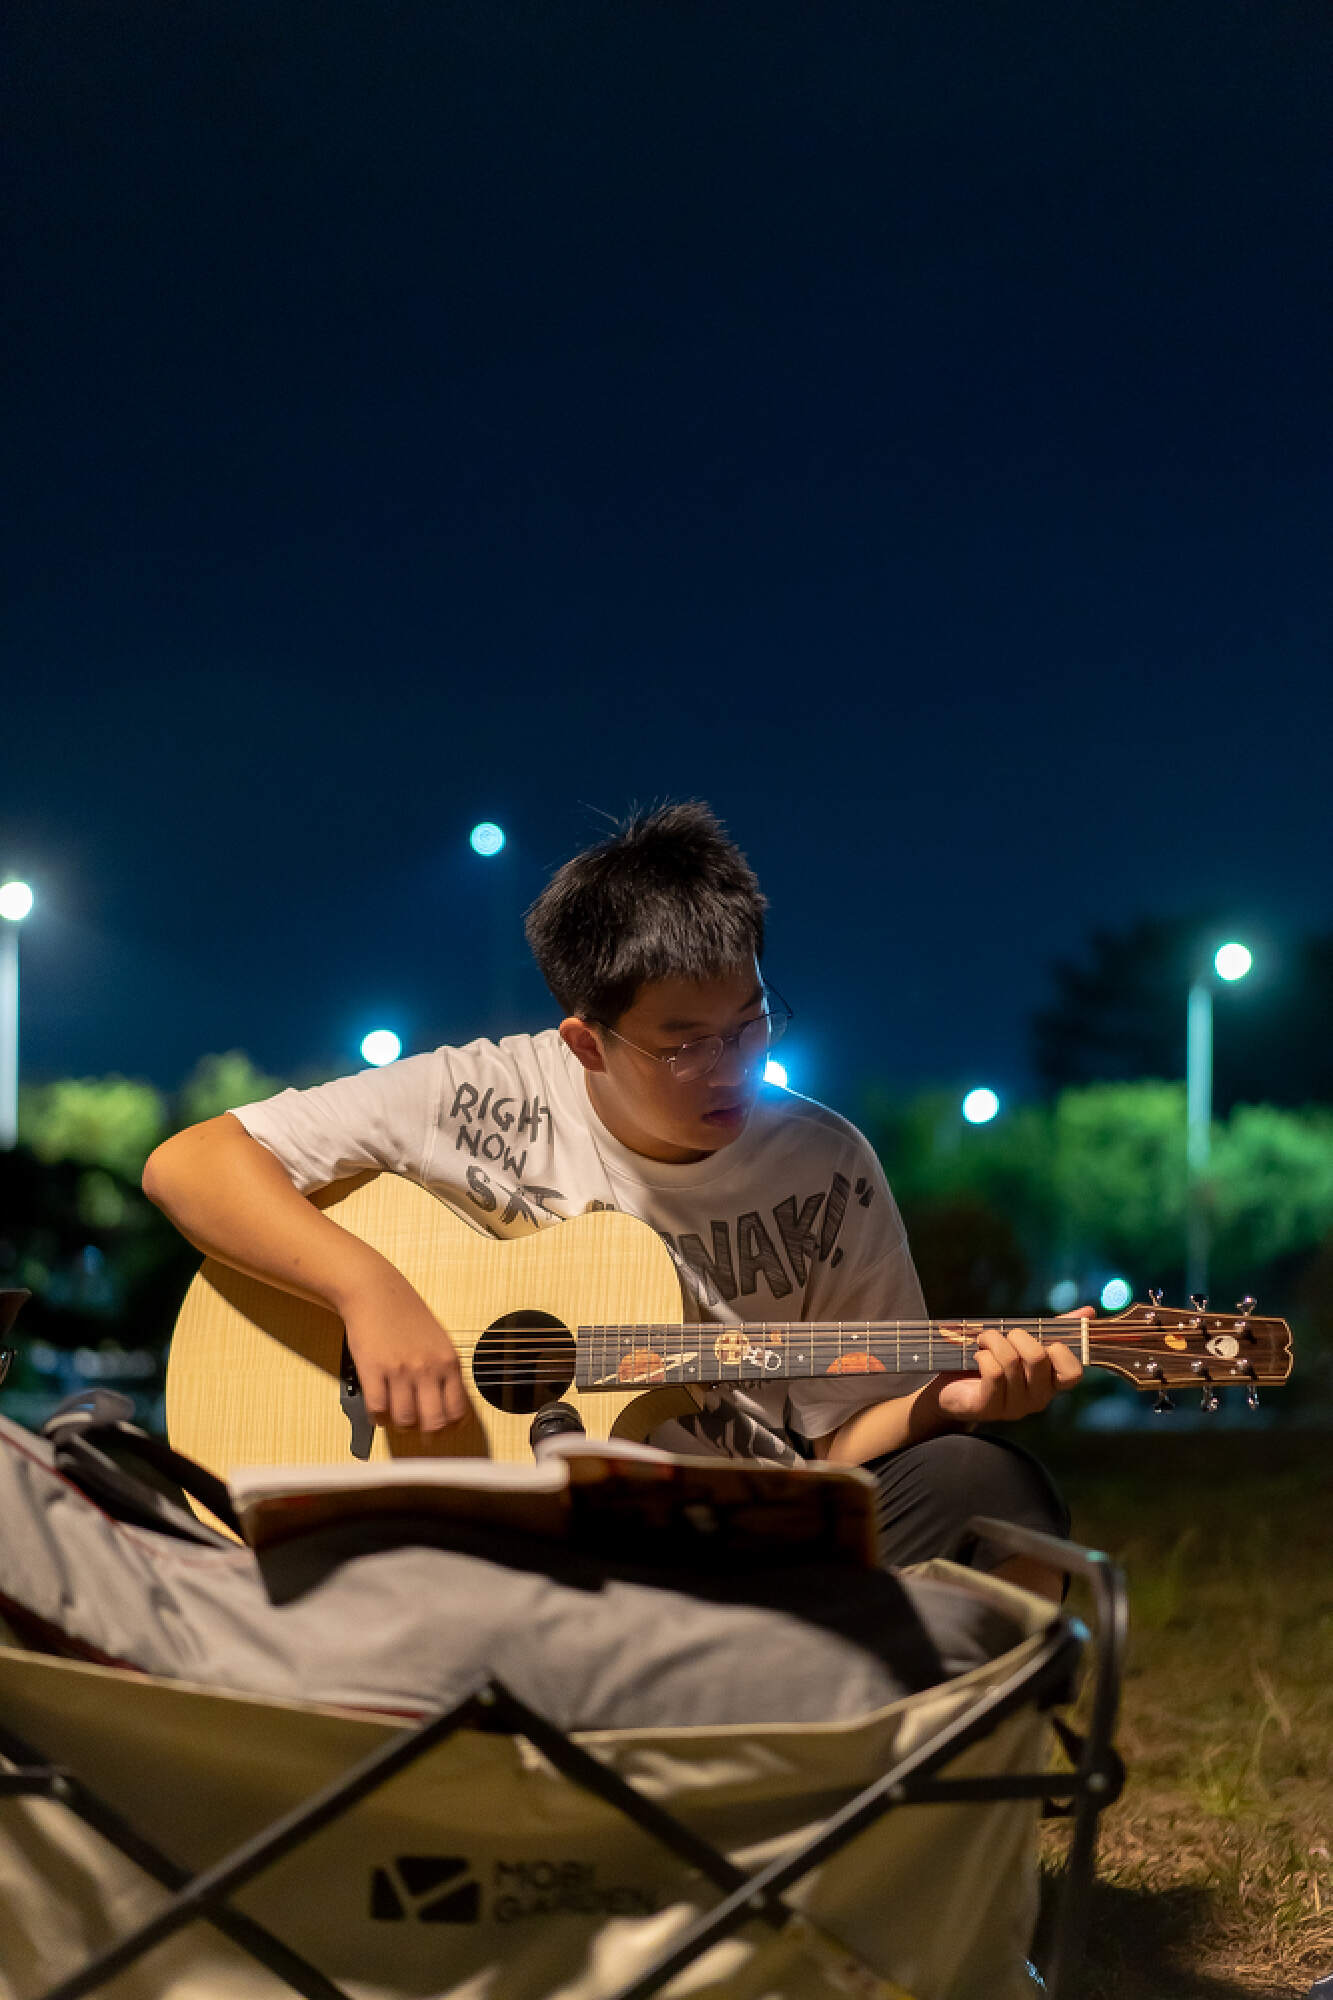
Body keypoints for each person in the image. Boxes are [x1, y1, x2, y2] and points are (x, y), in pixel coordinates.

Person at [143, 802, 1082, 1597]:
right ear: (587, 1043)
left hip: (720, 1546)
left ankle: (909, 1771)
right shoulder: (476, 1093)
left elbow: (832, 1454)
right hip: (492, 1531)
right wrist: (370, 1293)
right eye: (684, 1045)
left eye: (750, 1024)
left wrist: (941, 1404)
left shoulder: (825, 1167)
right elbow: (192, 1164)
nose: (734, 1068)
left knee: (987, 1487)